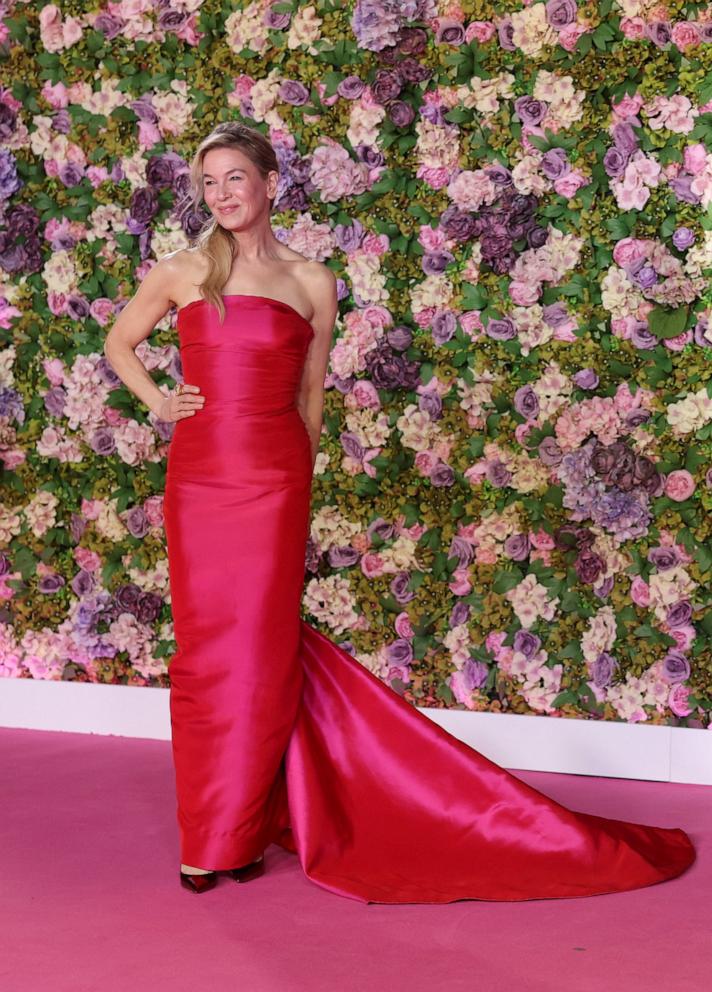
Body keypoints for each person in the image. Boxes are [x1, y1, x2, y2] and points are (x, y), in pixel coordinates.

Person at [103, 122, 695, 904]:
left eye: (236, 177)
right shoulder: (181, 270)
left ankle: (240, 833)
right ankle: (207, 838)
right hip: (203, 479)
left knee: (264, 654)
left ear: (271, 182)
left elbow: (311, 394)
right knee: (211, 654)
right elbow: (120, 342)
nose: (222, 194)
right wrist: (161, 401)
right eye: (210, 182)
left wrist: (299, 481)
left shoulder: (313, 279)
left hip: (276, 480)